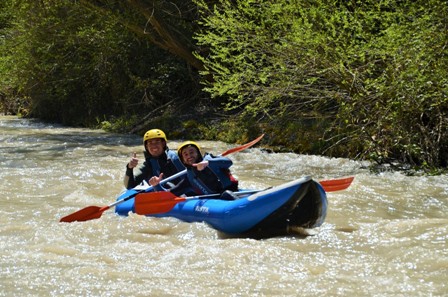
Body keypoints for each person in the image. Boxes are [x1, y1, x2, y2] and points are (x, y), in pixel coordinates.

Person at [149, 141, 239, 199]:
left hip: (232, 192)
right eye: (185, 154)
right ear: (183, 160)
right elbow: (169, 195)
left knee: (227, 194)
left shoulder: (209, 160)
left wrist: (208, 163)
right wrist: (156, 185)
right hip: (217, 201)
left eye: (192, 152)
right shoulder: (189, 178)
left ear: (198, 153)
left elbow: (228, 162)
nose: (189, 156)